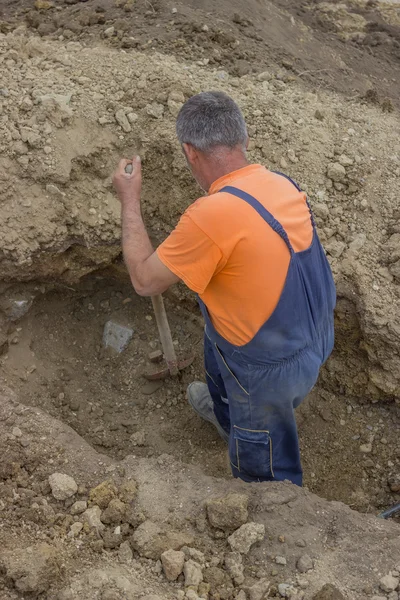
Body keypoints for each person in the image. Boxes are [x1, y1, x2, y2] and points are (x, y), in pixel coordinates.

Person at [113, 91, 336, 486]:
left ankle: (269, 491)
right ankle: (226, 418)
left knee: (264, 470)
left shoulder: (210, 216)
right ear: (244, 139)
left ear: (190, 152)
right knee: (216, 349)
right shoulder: (281, 184)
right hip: (316, 332)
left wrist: (129, 200)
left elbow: (145, 280)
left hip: (268, 370)